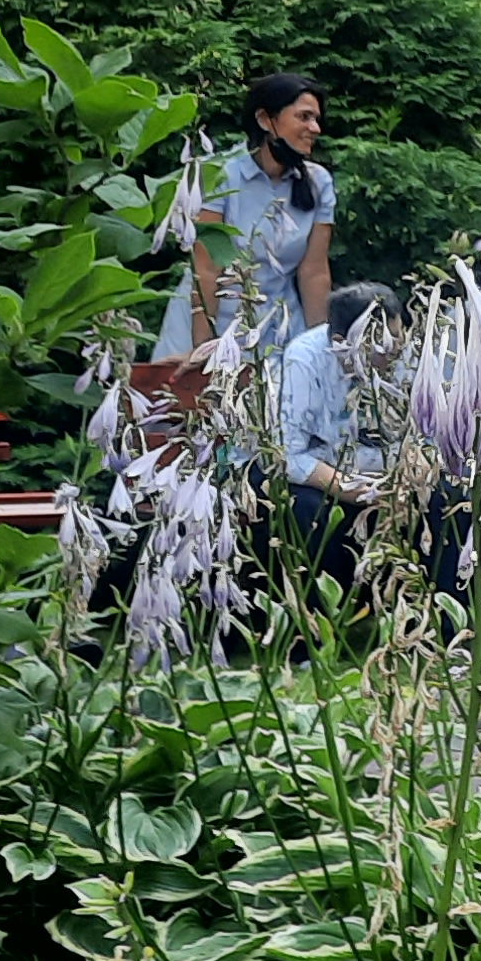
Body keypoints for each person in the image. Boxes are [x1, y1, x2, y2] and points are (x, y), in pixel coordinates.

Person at [159, 72, 336, 362]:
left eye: (316, 119)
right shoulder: (218, 173)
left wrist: (321, 351)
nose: (315, 128)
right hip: (204, 326)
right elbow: (206, 270)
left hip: (277, 330)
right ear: (266, 120)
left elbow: (314, 273)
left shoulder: (319, 183)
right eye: (304, 117)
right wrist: (203, 349)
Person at [280, 282, 399, 591]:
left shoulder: (405, 354)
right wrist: (359, 490)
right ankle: (324, 615)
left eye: (396, 338)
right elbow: (290, 458)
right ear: (338, 343)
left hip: (391, 477)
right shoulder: (303, 359)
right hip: (327, 478)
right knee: (308, 508)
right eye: (380, 345)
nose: (393, 352)